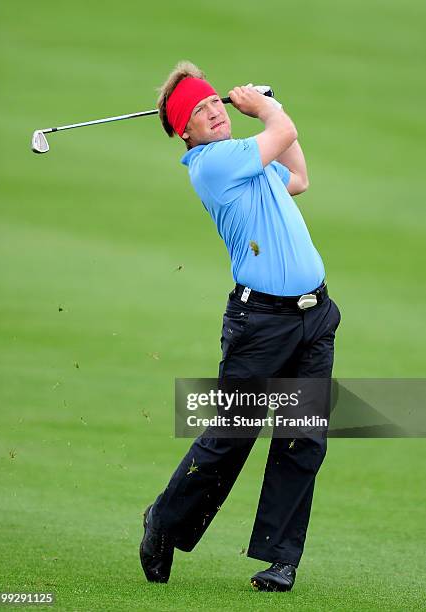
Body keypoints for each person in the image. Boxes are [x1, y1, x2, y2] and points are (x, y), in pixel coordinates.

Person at [139, 61, 341, 593]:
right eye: (198, 112)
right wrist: (267, 108)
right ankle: (164, 521)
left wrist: (274, 113)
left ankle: (281, 559)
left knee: (303, 438)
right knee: (231, 436)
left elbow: (298, 177)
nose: (212, 112)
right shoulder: (211, 164)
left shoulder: (246, 161)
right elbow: (283, 133)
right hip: (262, 325)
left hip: (313, 316)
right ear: (186, 131)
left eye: (213, 103)